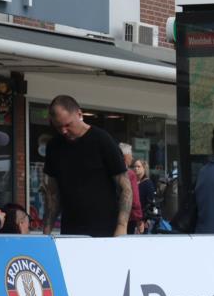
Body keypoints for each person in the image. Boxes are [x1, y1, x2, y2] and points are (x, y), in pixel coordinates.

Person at [42, 95, 132, 237]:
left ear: (79, 114)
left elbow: (125, 187)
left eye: (68, 125)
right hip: (71, 231)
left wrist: (121, 227)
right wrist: (46, 231)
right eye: (59, 127)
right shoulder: (54, 146)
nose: (64, 131)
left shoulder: (102, 140)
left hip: (105, 230)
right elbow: (53, 195)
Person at [119, 143, 145, 234]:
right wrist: (139, 219)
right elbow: (135, 200)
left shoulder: (110, 172)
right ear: (125, 156)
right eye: (131, 154)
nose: (132, 158)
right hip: (127, 218)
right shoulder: (130, 174)